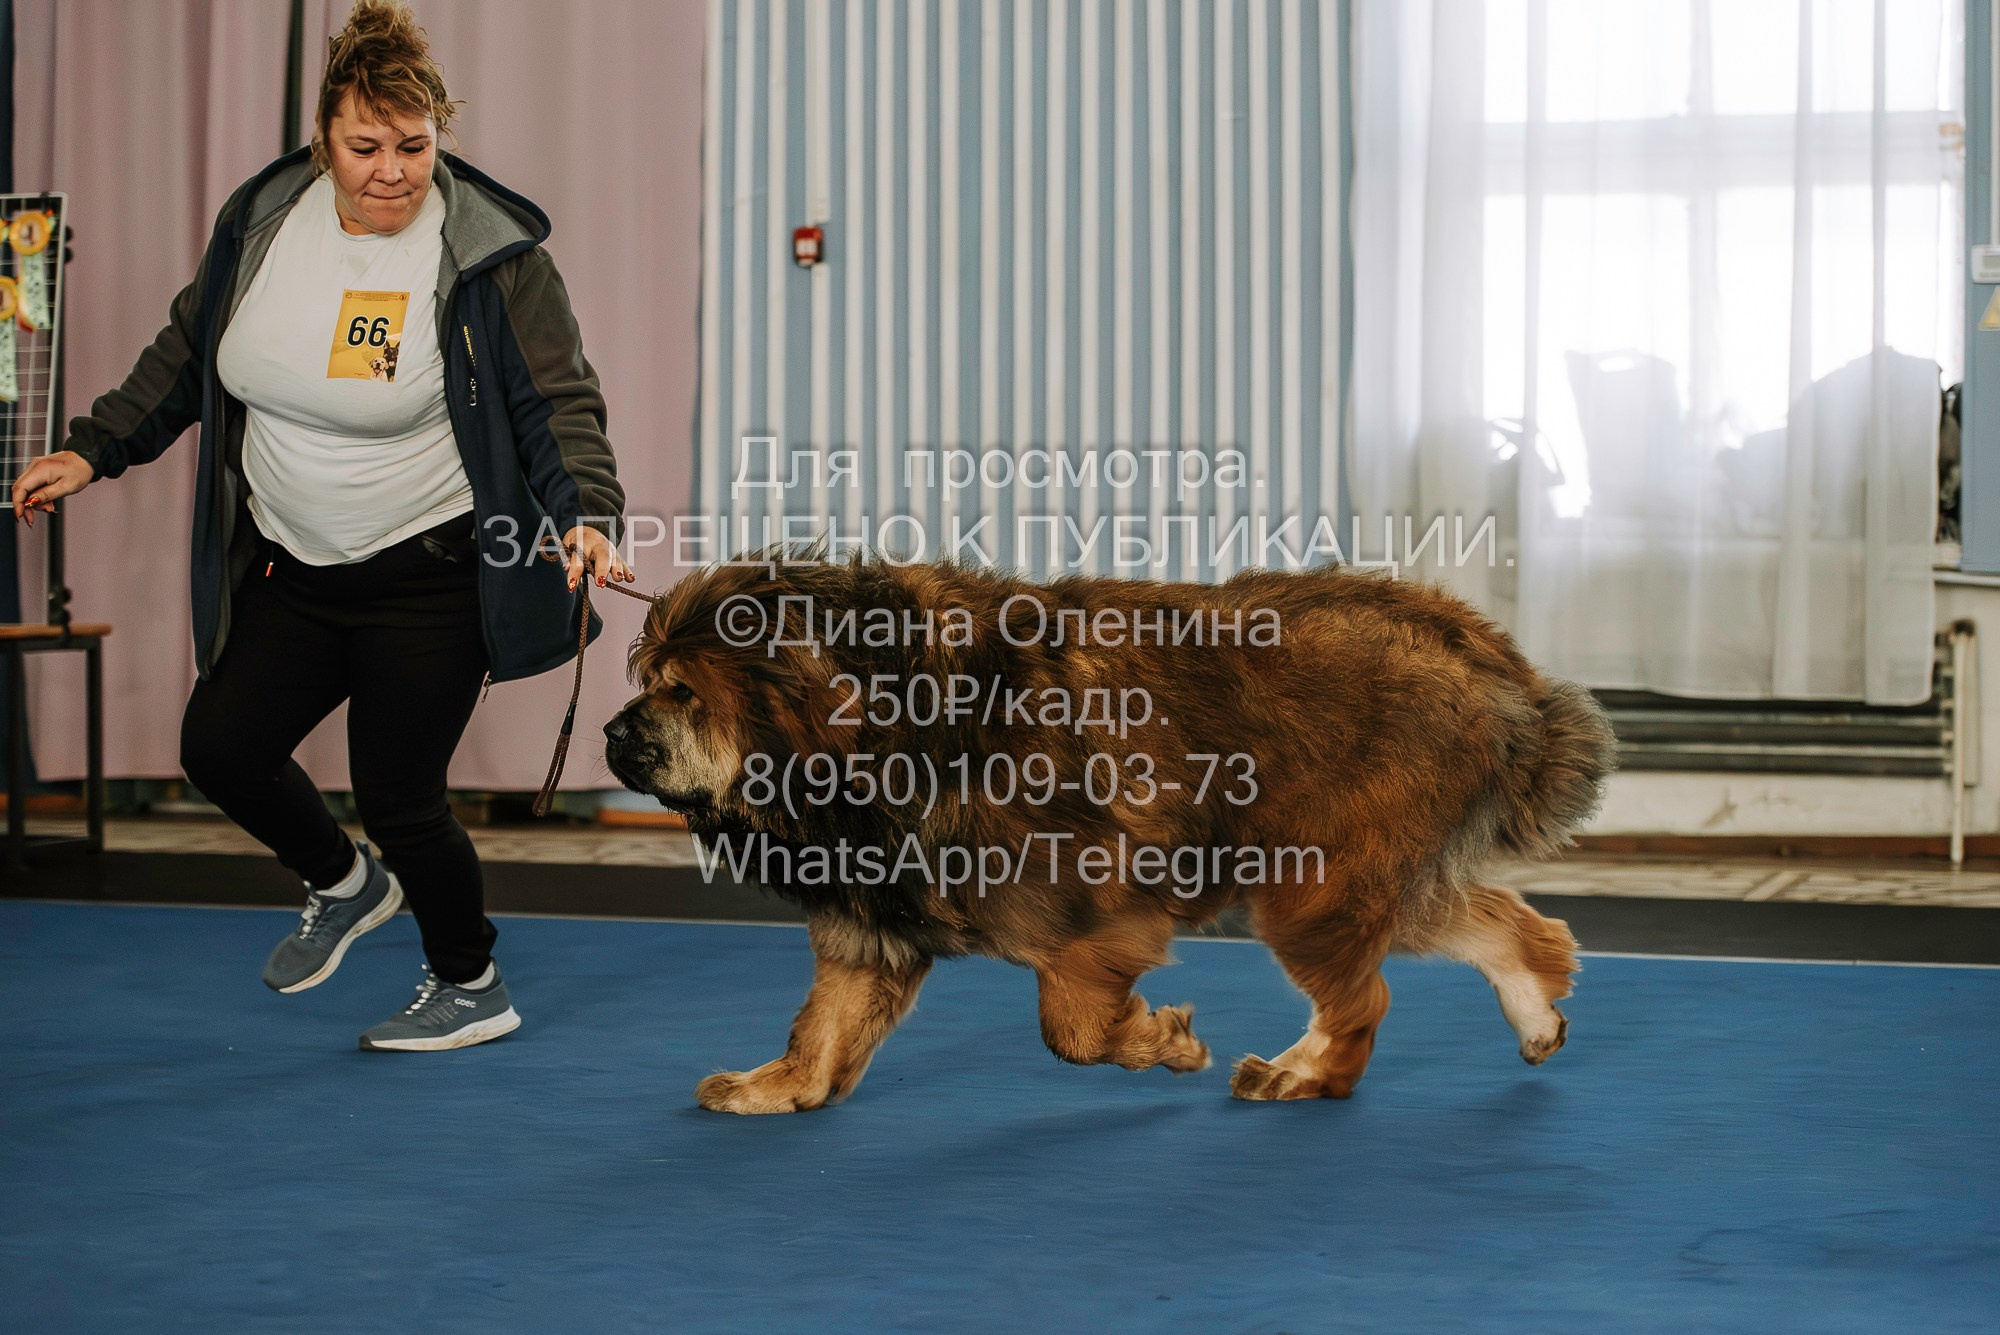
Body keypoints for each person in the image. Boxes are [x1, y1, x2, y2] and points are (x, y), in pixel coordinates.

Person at [8, 0, 633, 1051]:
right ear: (322, 140)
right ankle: (345, 887)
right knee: (222, 747)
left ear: (440, 135)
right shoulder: (264, 220)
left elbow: (557, 399)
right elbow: (185, 352)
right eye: (364, 147)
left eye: (413, 146)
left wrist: (587, 516)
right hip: (297, 566)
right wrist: (94, 446)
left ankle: (470, 979)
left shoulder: (488, 252)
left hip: (428, 575)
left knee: (399, 795)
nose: (391, 170)